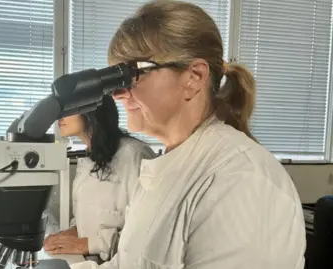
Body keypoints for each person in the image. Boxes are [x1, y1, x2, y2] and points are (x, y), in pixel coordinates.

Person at [70, 1, 306, 269]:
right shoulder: (171, 165)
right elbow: (130, 264)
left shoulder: (239, 181)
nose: (117, 94)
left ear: (194, 76)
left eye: (131, 74)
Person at [43, 95, 156, 262]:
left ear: (91, 111)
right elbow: (92, 214)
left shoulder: (134, 155)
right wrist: (74, 231)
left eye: (67, 110)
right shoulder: (90, 158)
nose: (59, 117)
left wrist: (88, 244)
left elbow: (148, 229)